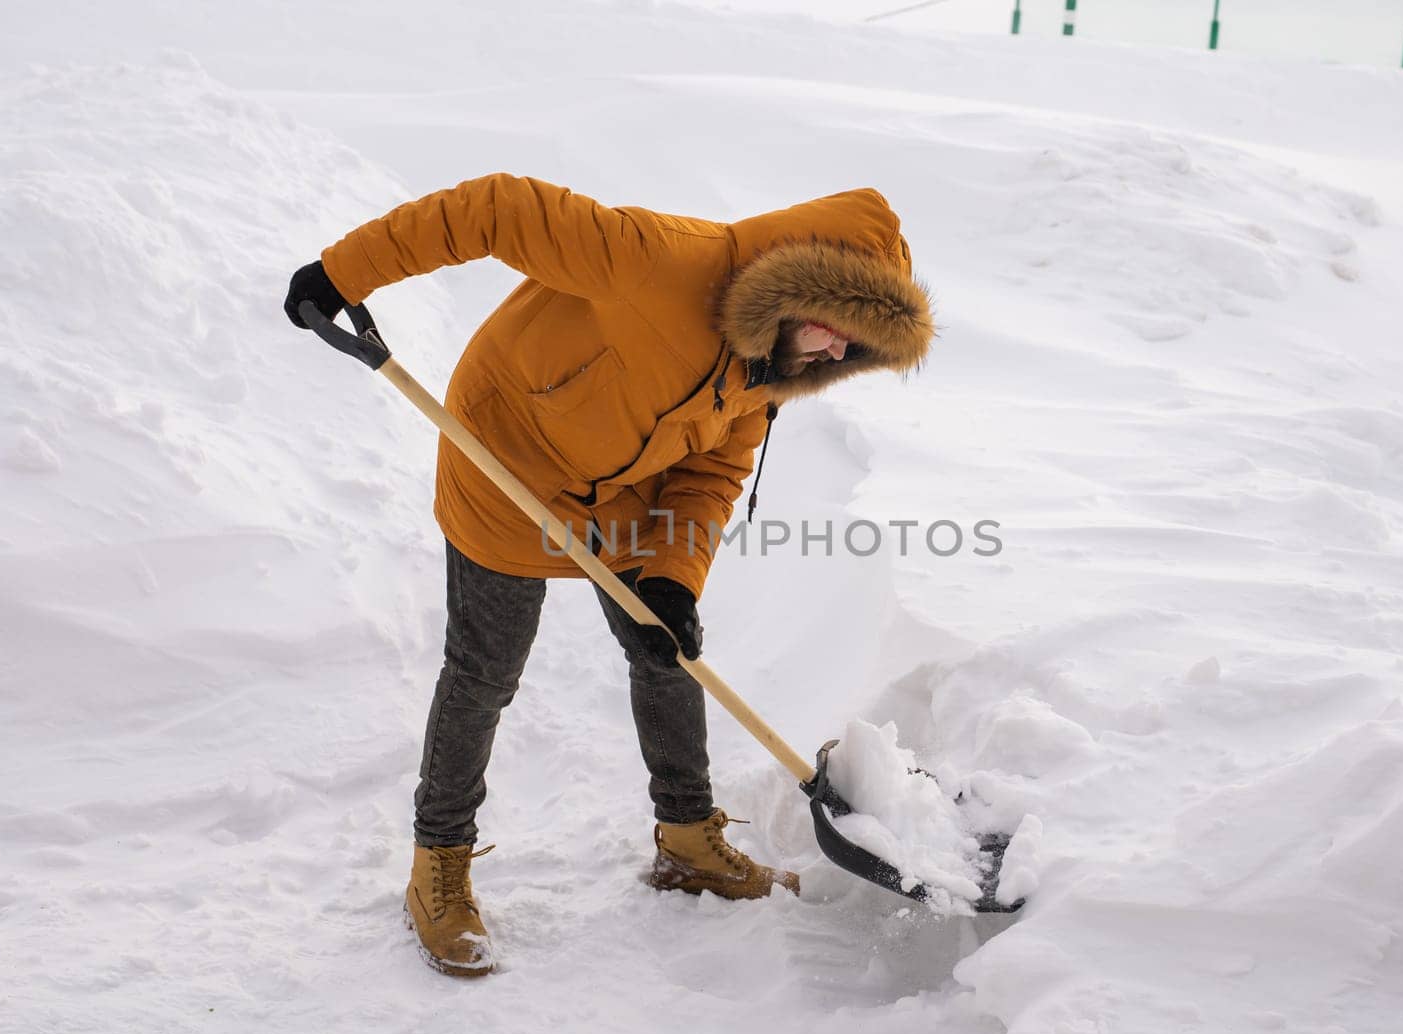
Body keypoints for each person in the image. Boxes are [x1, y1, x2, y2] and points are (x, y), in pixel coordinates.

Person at [284, 173, 934, 977]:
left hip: (623, 487)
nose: (840, 352)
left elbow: (710, 478)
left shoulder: (767, 367)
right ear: (798, 285)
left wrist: (674, 579)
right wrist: (345, 272)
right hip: (504, 457)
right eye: (841, 327)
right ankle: (437, 866)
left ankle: (688, 837)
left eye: (856, 347)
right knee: (485, 668)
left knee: (667, 649)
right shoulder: (654, 260)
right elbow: (495, 210)